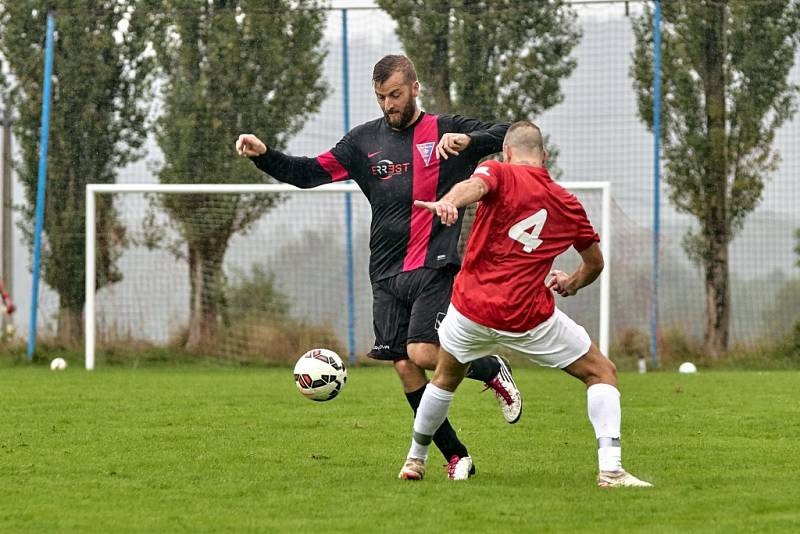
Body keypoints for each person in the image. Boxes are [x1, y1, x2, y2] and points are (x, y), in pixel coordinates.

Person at [236, 54, 522, 480]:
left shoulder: (445, 130)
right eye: (381, 97)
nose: (389, 104)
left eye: (395, 94)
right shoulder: (361, 143)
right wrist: (264, 155)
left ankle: (489, 366)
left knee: (422, 351)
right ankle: (457, 456)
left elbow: (514, 134)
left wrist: (470, 140)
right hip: (385, 272)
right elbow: (308, 173)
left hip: (434, 263)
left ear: (415, 88)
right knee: (405, 366)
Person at [399, 121, 652, 488]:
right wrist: (571, 283)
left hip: (470, 310)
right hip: (526, 318)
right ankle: (611, 469)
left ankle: (415, 459)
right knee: (601, 372)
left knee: (444, 378)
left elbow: (475, 185)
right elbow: (595, 263)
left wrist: (448, 202)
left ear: (507, 153)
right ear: (544, 157)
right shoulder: (568, 203)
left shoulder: (497, 170)